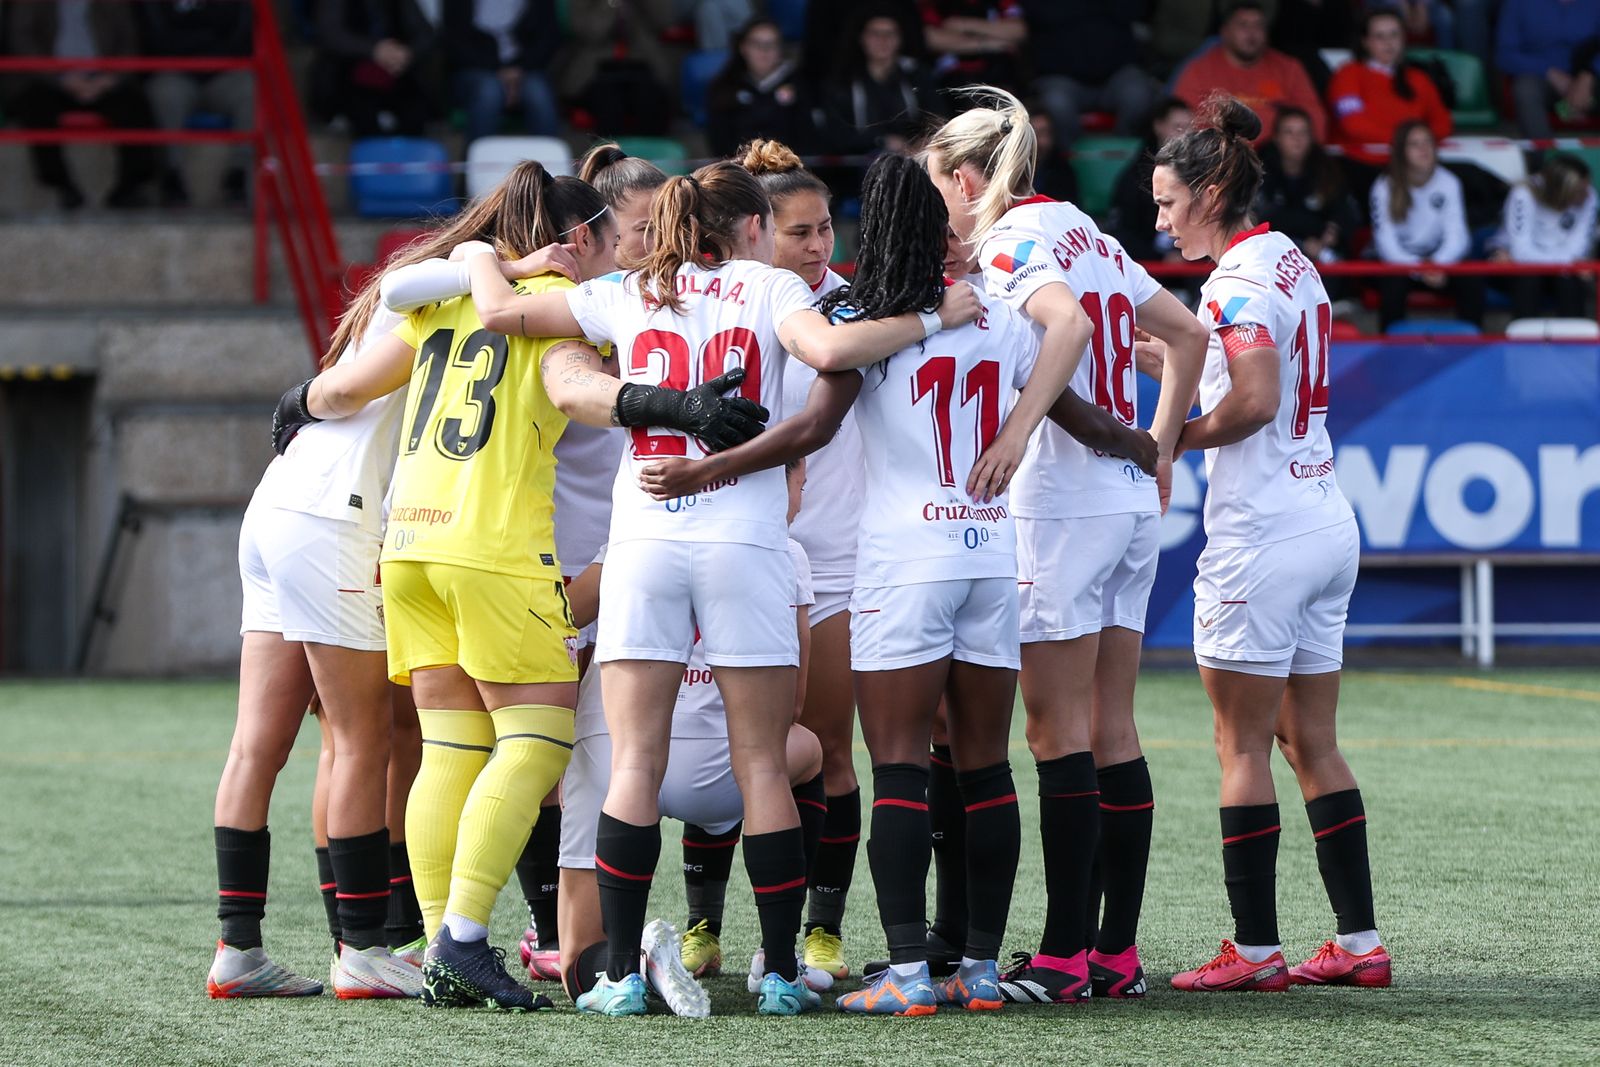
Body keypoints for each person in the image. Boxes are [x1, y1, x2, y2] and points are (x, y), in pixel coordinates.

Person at [457, 159, 982, 1017]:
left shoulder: (627, 290)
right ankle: (779, 974)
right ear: (751, 227)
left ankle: (621, 977)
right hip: (744, 539)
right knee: (764, 763)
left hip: (646, 538)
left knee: (634, 762)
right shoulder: (770, 287)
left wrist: (491, 255)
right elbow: (831, 352)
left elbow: (498, 312)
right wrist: (933, 315)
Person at [284, 161, 767, 1014]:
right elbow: (576, 390)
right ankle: (463, 938)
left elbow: (360, 363)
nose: (616, 260)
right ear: (576, 239)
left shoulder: (442, 297)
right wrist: (673, 405)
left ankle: (442, 945)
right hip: (494, 549)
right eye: (609, 243)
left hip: (412, 543)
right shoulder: (553, 300)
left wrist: (301, 399)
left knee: (451, 748)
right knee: (539, 741)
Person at [209, 207, 573, 1001]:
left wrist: (300, 398)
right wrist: (507, 269)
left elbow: (347, 375)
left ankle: (239, 946)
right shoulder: (466, 296)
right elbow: (351, 390)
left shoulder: (418, 286)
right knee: (360, 739)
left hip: (277, 505)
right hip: (339, 518)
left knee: (259, 743)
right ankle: (362, 945)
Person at [926, 86, 1209, 1005]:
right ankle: (1113, 952)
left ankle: (1060, 956)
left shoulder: (1011, 241)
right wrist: (1161, 447)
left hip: (1062, 504)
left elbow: (1072, 326)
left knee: (1054, 731)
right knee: (1110, 725)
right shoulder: (1088, 230)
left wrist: (1015, 433)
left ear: (966, 178)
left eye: (938, 185)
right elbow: (1188, 334)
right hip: (1124, 502)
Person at [1149, 93, 1389, 993]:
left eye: (1169, 202)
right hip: (1324, 515)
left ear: (1211, 193)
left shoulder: (1236, 282)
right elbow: (1233, 368)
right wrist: (1141, 353)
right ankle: (1359, 942)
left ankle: (1254, 951)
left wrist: (1169, 438)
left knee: (1241, 746)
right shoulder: (1289, 258)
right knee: (1311, 741)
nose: (1161, 220)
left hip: (1263, 535)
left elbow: (1250, 399)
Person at [555, 466, 832, 1016]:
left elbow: (558, 618)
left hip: (617, 766)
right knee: (794, 756)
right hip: (726, 773)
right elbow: (794, 703)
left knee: (576, 959)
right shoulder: (784, 552)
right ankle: (780, 967)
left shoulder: (631, 535)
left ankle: (628, 968)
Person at [719, 139, 858, 985]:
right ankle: (703, 923)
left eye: (825, 227)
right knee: (729, 747)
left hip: (835, 559)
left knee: (827, 747)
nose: (817, 245)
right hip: (735, 552)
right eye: (799, 231)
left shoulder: (851, 307)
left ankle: (820, 932)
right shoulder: (722, 300)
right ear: (756, 232)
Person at [3, 1, 160, 210]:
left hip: (103, 80)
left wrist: (110, 79)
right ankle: (61, 186)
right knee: (36, 106)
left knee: (134, 104)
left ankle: (131, 187)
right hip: (48, 81)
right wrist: (61, 79)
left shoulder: (115, 3)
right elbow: (22, 42)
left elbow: (129, 43)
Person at [1369, 119, 1483, 330]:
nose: (1423, 149)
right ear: (1401, 151)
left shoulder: (1450, 182)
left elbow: (1458, 236)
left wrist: (1437, 263)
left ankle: (1473, 343)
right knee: (1392, 283)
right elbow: (1386, 244)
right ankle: (1388, 345)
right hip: (1402, 262)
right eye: (1414, 144)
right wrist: (1420, 268)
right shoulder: (1384, 187)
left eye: (1427, 142)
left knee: (1471, 279)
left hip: (1439, 259)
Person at [140, 0, 255, 207]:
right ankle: (172, 175)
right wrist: (202, 46)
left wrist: (209, 55)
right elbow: (154, 37)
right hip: (175, 71)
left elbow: (243, 35)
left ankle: (238, 175)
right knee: (164, 93)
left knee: (251, 88)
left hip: (223, 71)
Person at [1173, 1, 1327, 147]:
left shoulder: (1289, 69)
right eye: (1243, 25)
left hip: (1277, 160)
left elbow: (1315, 119)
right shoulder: (1199, 70)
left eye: (1258, 25)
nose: (1251, 33)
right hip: (1220, 157)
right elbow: (1180, 122)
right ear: (1225, 32)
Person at [1327, 7, 1452, 172]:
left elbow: (1443, 122)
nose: (1388, 42)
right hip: (1360, 163)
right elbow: (1352, 125)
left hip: (1414, 163)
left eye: (1394, 35)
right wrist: (1409, 142)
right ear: (1366, 42)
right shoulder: (1348, 74)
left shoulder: (1418, 78)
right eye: (1380, 36)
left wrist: (1419, 143)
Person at [1020, 0, 1159, 143]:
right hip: (1060, 79)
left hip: (1117, 75)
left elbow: (1136, 10)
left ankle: (1128, 154)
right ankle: (1068, 156)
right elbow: (1039, 14)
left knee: (1139, 95)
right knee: (1056, 104)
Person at [441, 1, 563, 145]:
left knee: (539, 94)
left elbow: (549, 37)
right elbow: (453, 42)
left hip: (526, 68)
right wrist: (497, 70)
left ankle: (549, 157)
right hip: (475, 68)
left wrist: (520, 69)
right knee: (489, 92)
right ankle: (477, 157)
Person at [822, 8, 942, 154]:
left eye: (890, 33)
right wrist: (880, 140)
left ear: (901, 38)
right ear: (861, 38)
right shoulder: (844, 79)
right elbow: (835, 133)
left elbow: (937, 118)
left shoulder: (916, 75)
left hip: (913, 157)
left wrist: (924, 141)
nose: (883, 40)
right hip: (859, 161)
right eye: (875, 34)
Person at [1495, 153, 1598, 318]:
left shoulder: (1589, 197)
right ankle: (1523, 333)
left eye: (1587, 187)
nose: (1587, 195)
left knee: (1569, 282)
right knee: (1529, 279)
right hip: (1525, 271)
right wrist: (1567, 262)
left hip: (1562, 273)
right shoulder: (1524, 193)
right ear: (1560, 190)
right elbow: (1521, 252)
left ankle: (1574, 333)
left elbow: (1577, 249)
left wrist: (1566, 264)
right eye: (1579, 191)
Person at [311, 0, 436, 136]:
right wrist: (375, 50)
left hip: (397, 72)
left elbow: (425, 33)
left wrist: (405, 53)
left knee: (415, 113)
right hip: (350, 74)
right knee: (363, 113)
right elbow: (331, 34)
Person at [1256, 106, 1359, 264]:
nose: (1297, 139)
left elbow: (1346, 210)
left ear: (1311, 137)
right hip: (1270, 253)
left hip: (1322, 252)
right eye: (1289, 132)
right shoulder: (1257, 170)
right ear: (1276, 138)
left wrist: (1332, 232)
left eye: (1303, 132)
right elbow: (1261, 217)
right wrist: (1303, 243)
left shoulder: (1327, 169)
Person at [706, 18, 819, 157]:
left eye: (771, 44)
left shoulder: (799, 84)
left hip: (789, 165)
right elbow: (719, 140)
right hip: (739, 166)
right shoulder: (724, 87)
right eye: (756, 44)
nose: (764, 51)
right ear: (743, 48)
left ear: (780, 49)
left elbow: (808, 138)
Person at [1495, 0, 1600, 140]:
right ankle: (1544, 152)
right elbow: (1505, 55)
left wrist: (1589, 75)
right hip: (1542, 80)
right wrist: (1549, 72)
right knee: (1526, 89)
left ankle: (1574, 110)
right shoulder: (1518, 3)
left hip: (1591, 78)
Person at [1108, 97, 1194, 262]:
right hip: (1146, 266)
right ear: (1158, 126)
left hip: (1196, 265)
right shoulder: (1135, 177)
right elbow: (1123, 233)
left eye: (1189, 127)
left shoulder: (1205, 173)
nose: (1185, 135)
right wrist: (1161, 258)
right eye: (1177, 127)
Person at [576, 143, 670, 269]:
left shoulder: (689, 273)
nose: (666, 242)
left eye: (670, 227)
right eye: (648, 229)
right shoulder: (565, 280)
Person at [918, 0, 1028, 98]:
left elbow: (1019, 30)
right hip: (956, 83)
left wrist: (966, 24)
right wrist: (988, 43)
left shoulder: (997, 3)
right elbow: (930, 39)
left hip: (1005, 74)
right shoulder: (935, 5)